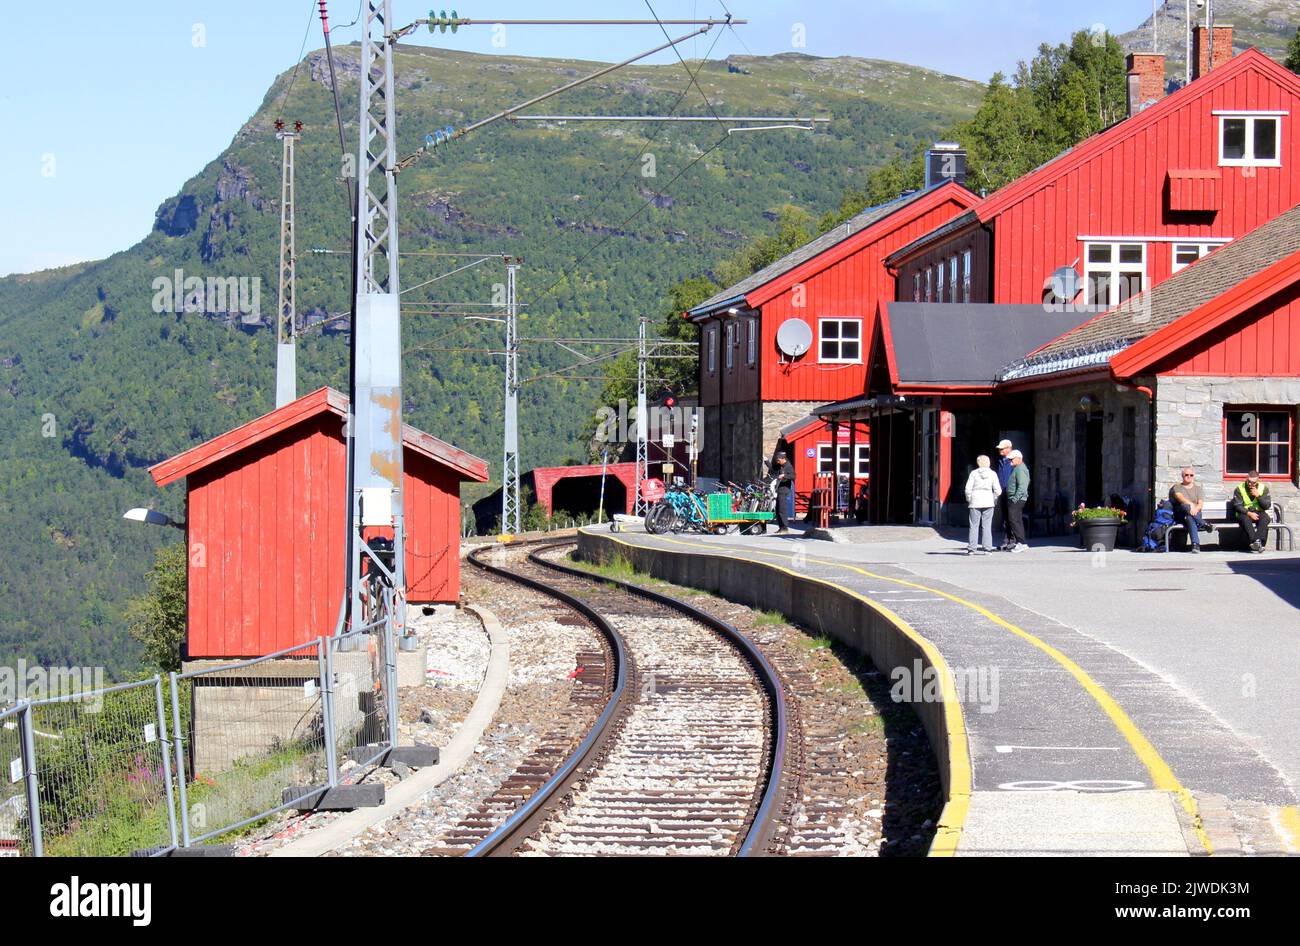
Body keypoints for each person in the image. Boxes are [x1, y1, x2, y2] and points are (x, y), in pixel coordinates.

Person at [1169, 466, 1213, 553]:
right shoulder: (1177, 487)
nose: (1189, 476)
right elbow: (1180, 497)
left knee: (1190, 518)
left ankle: (1195, 545)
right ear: (1182, 476)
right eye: (1186, 475)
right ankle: (1204, 524)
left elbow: (1200, 503)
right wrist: (1191, 505)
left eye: (1191, 475)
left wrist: (1195, 508)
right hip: (1181, 514)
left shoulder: (1198, 489)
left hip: (1194, 513)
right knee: (1185, 506)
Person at [964, 455, 1001, 555]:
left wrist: (969, 498)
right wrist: (994, 498)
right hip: (988, 501)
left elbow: (968, 488)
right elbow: (998, 490)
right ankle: (987, 549)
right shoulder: (993, 474)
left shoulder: (973, 473)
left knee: (974, 526)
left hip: (975, 501)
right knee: (987, 526)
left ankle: (972, 548)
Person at [1227, 471, 1271, 553]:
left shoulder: (1263, 488)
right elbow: (1237, 505)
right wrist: (1249, 513)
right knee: (1246, 520)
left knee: (1265, 518)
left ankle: (1256, 542)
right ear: (1246, 479)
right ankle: (1258, 543)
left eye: (1253, 483)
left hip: (1258, 511)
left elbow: (1267, 506)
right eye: (1249, 482)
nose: (1251, 484)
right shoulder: (1239, 488)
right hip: (1243, 513)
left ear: (1258, 480)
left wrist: (1258, 496)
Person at [1006, 449, 1031, 552]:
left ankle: (1022, 543)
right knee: (1016, 520)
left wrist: (1015, 499)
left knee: (1014, 520)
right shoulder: (1017, 468)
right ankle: (1021, 542)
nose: (1010, 461)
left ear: (1018, 459)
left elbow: (1023, 486)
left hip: (1017, 499)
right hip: (1016, 498)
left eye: (1012, 459)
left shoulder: (1020, 469)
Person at [993, 439, 1014, 550]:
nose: (1000, 450)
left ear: (1009, 449)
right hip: (1002, 492)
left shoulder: (1013, 461)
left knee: (1012, 518)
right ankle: (1006, 540)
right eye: (1000, 449)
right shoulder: (1001, 461)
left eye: (1002, 449)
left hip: (1010, 493)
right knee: (1005, 518)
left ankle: (1013, 540)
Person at [772, 451, 795, 535]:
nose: (777, 462)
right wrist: (766, 461)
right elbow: (772, 469)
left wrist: (784, 476)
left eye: (778, 460)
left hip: (784, 490)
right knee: (778, 509)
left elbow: (793, 476)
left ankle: (785, 528)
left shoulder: (788, 466)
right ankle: (781, 527)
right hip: (780, 490)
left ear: (783, 459)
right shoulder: (782, 466)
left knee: (782, 509)